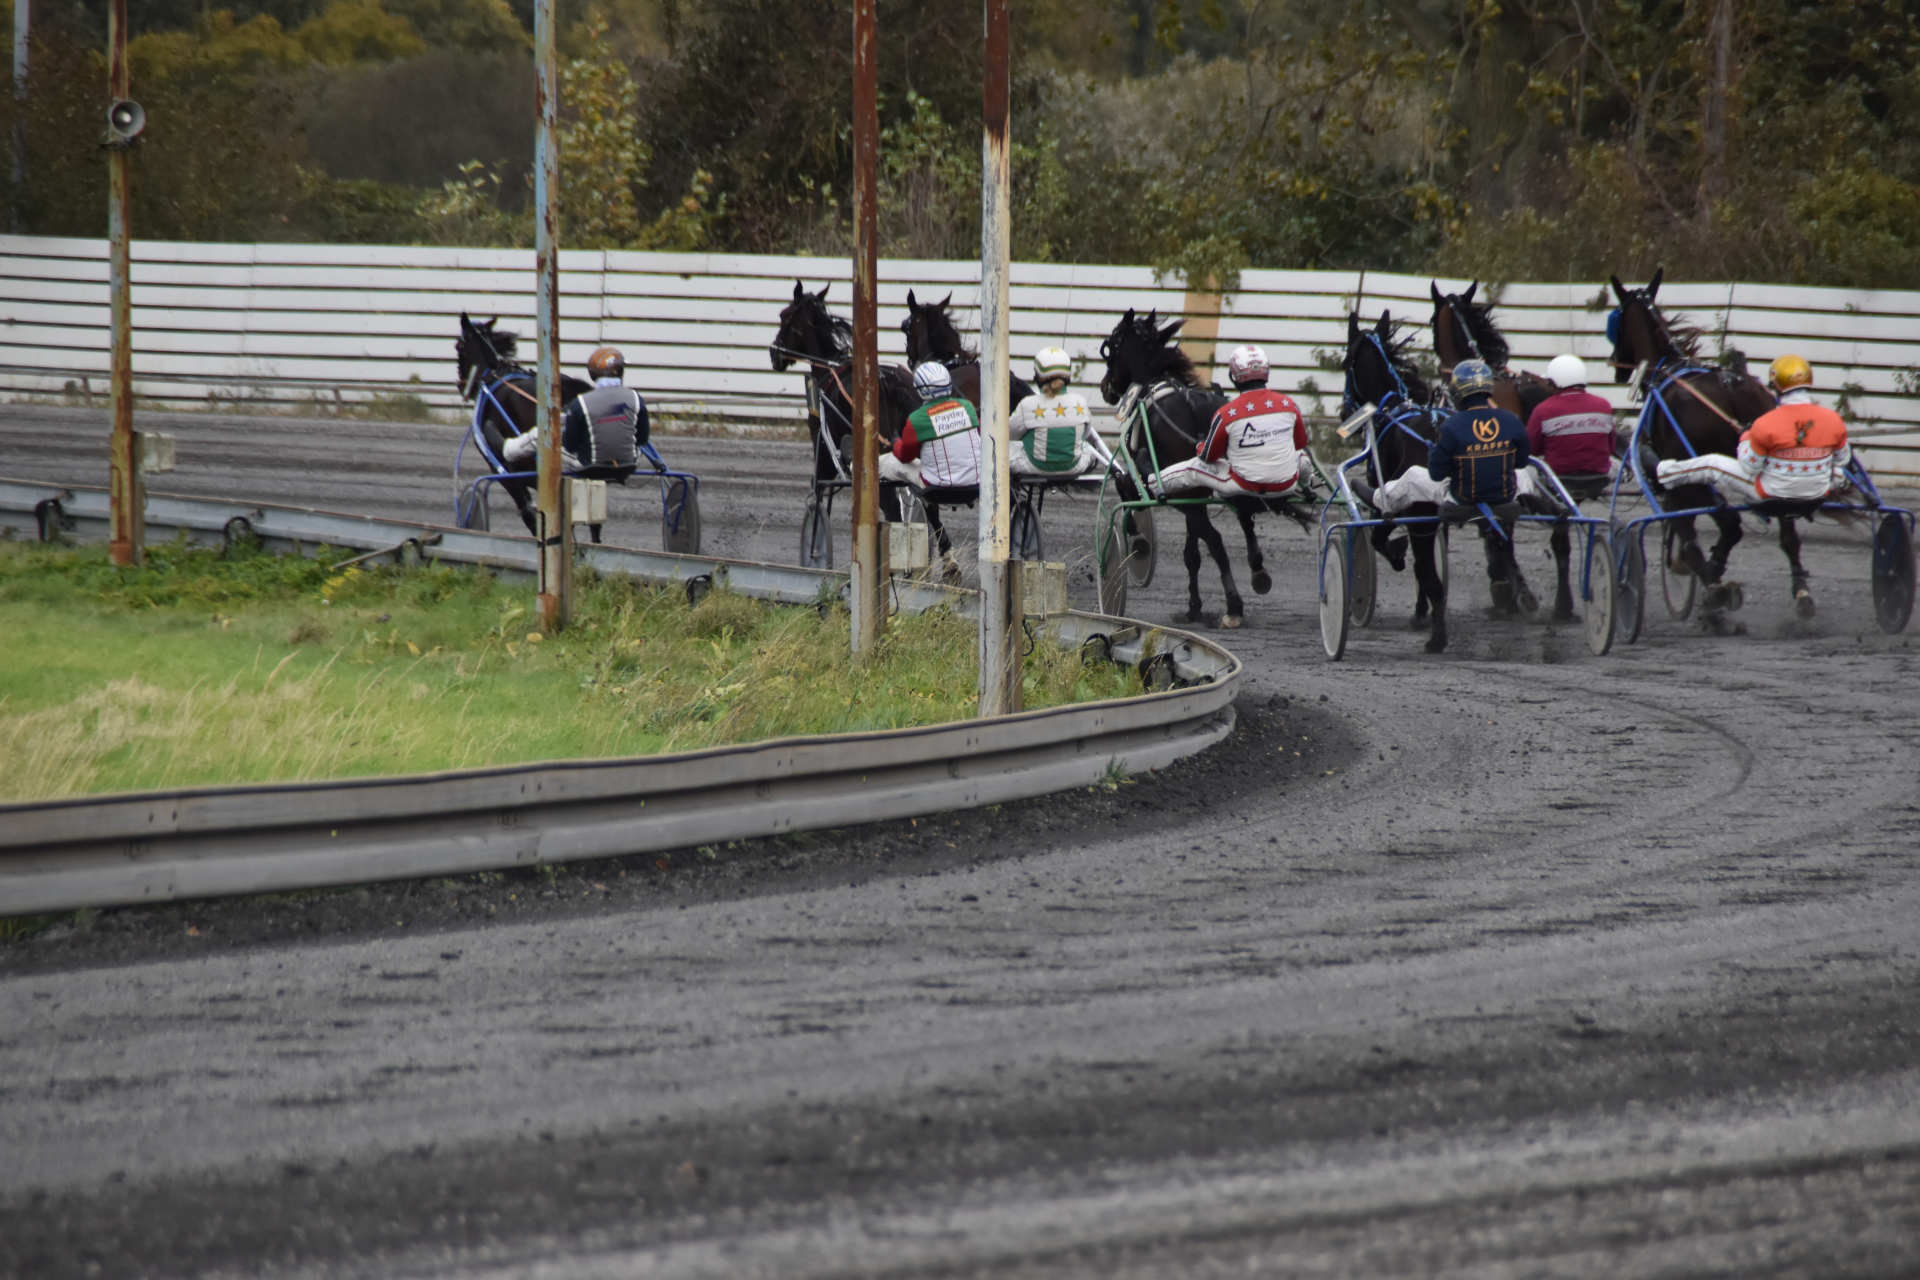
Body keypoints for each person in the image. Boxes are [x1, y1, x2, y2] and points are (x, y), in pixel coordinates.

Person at [1654, 355, 1851, 503]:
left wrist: (1746, 437)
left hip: (1773, 491)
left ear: (1776, 386)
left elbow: (1751, 467)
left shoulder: (1765, 423)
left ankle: (1664, 472)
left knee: (1712, 463)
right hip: (1819, 490)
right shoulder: (1833, 419)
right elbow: (1842, 459)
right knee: (1837, 472)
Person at [1354, 359, 1532, 513]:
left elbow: (1436, 474)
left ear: (1458, 392)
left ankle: (1379, 500)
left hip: (1462, 498)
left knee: (1413, 475)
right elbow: (1521, 462)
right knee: (1524, 473)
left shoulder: (1451, 425)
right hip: (1505, 495)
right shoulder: (1512, 420)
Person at [1153, 345, 1311, 498]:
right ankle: (1306, 485)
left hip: (1244, 486)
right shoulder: (1289, 405)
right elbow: (1300, 444)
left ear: (1234, 376)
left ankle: (1153, 483)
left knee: (1194, 466)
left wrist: (1201, 443)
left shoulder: (1226, 413)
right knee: (1302, 456)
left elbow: (1208, 457)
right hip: (1286, 486)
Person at [501, 346, 654, 479]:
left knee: (541, 434)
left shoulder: (580, 403)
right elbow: (642, 438)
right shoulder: (635, 397)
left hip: (591, 466)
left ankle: (508, 450)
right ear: (617, 371)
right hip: (629, 464)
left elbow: (571, 446)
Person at [880, 362, 981, 492]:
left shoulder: (917, 419)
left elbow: (905, 457)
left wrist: (896, 443)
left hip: (936, 487)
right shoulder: (967, 406)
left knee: (883, 463)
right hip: (975, 481)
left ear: (920, 389)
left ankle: (858, 473)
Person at [1010, 347, 1106, 477]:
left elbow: (1009, 433)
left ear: (1038, 376)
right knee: (1088, 449)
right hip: (1074, 467)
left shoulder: (1027, 404)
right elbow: (1086, 434)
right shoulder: (1081, 402)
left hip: (1034, 467)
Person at [1527, 354, 1617, 481]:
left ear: (1554, 383)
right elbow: (1611, 447)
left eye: (1548, 383)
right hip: (1599, 477)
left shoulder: (1542, 409)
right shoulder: (1604, 405)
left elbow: (1531, 450)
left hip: (1556, 478)